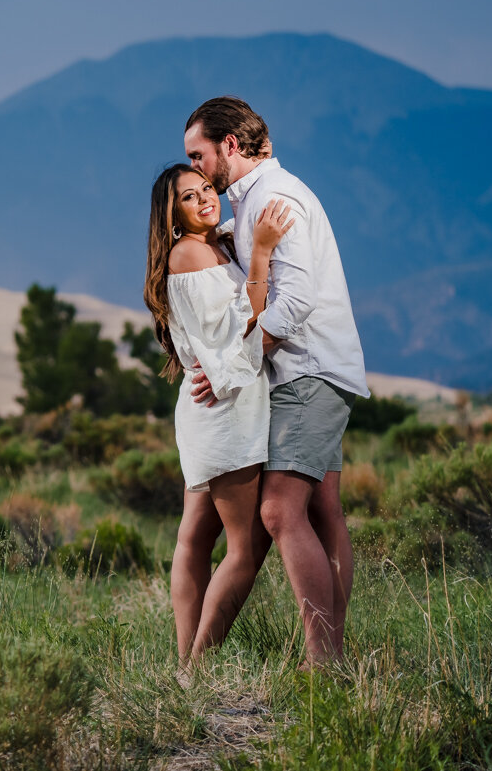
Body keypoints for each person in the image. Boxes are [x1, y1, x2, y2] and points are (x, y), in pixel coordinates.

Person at [183, 96, 369, 666]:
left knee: (279, 511)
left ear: (229, 147)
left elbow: (296, 302)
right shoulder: (256, 202)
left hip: (306, 371)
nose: (194, 167)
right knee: (322, 511)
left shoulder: (276, 197)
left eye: (197, 155)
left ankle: (324, 665)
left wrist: (238, 361)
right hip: (317, 369)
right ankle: (333, 660)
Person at [144, 163, 295, 665]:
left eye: (207, 187)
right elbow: (238, 328)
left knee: (196, 535)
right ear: (172, 217)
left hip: (212, 404)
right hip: (225, 409)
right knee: (246, 545)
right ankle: (197, 668)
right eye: (190, 197)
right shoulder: (189, 255)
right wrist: (262, 253)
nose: (206, 198)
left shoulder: (212, 244)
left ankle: (186, 665)